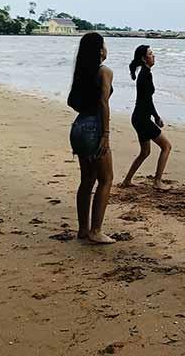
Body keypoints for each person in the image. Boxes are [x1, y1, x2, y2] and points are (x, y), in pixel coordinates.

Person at [67, 32, 116, 244]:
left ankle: (83, 229)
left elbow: (73, 102)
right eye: (104, 45)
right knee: (106, 179)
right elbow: (104, 103)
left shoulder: (82, 73)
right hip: (93, 128)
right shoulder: (104, 72)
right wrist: (105, 134)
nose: (106, 49)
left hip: (78, 126)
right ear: (99, 50)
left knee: (87, 180)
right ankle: (96, 231)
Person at [121, 45, 173, 190]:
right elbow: (147, 101)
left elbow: (146, 100)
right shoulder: (145, 74)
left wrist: (155, 117)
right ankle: (157, 181)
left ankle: (127, 181)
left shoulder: (145, 73)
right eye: (150, 54)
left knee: (145, 152)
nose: (154, 56)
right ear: (144, 59)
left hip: (139, 117)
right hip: (142, 119)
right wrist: (156, 117)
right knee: (166, 147)